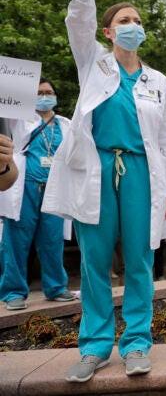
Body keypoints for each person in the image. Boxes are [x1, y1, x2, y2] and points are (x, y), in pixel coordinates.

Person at [41, 0, 166, 382]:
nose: (132, 26)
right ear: (108, 30)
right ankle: (96, 345)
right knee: (95, 258)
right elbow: (78, 13)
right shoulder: (93, 63)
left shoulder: (159, 82)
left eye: (137, 21)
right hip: (96, 167)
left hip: (141, 172)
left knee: (138, 258)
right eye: (124, 21)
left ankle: (137, 342)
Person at [0, 79, 74, 311]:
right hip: (24, 187)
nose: (44, 95)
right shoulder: (19, 118)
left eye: (49, 92)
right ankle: (13, 292)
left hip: (54, 189)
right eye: (39, 92)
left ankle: (56, 287)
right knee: (17, 240)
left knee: (52, 239)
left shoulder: (65, 124)